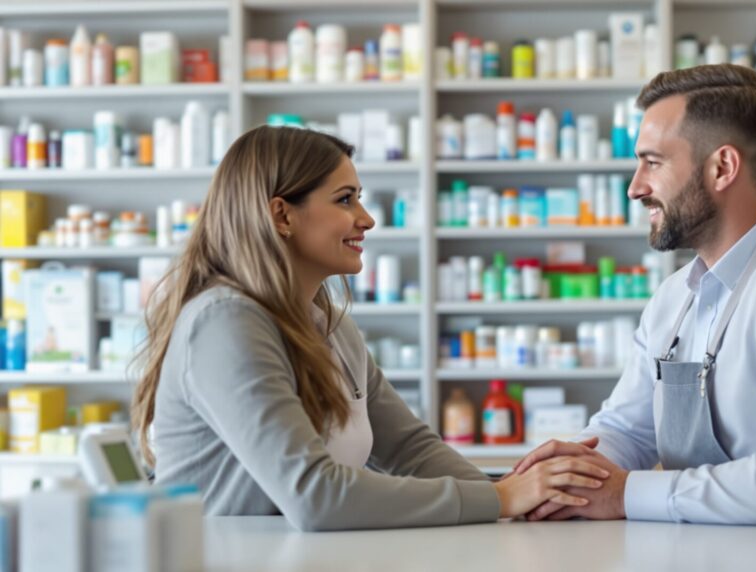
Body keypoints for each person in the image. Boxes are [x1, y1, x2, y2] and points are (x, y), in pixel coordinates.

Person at [131, 125, 610, 531]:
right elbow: (314, 495)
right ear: (282, 215)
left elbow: (409, 449)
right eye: (345, 200)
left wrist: (517, 497)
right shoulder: (225, 323)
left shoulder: (328, 325)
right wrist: (503, 499)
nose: (367, 219)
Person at [512, 64, 756, 524]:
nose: (635, 187)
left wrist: (625, 495)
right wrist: (567, 475)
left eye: (653, 163)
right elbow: (627, 431)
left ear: (722, 167)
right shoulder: (674, 296)